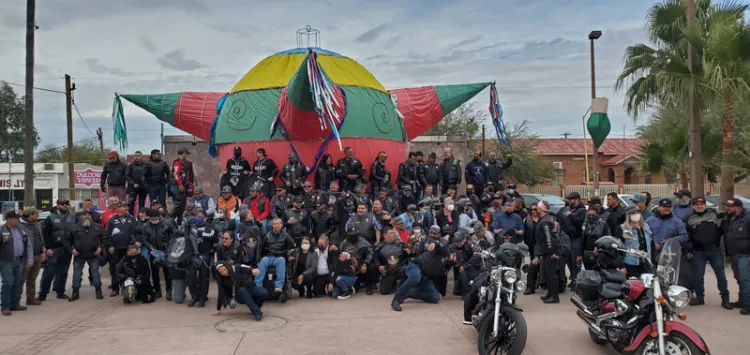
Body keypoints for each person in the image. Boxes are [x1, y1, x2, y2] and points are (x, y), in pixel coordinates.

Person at [685, 197, 731, 308]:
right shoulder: (688, 218)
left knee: (721, 276)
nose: (699, 206)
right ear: (693, 206)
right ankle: (700, 298)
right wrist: (688, 249)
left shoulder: (715, 215)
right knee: (698, 277)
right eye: (696, 204)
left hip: (715, 251)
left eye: (701, 204)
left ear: (705, 205)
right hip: (698, 252)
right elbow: (687, 236)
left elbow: (728, 221)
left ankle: (725, 299)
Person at [390, 226, 446, 311]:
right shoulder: (424, 240)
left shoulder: (444, 242)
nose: (432, 235)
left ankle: (408, 293)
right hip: (416, 266)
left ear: (439, 234)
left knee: (435, 298)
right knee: (416, 277)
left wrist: (436, 244)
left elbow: (443, 249)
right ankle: (396, 299)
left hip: (426, 275)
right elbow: (418, 253)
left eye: (435, 233)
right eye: (431, 233)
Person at [38, 199, 77, 301]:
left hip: (67, 249)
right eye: (62, 204)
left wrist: (74, 247)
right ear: (58, 205)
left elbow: (76, 233)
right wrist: (47, 248)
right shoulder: (50, 217)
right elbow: (45, 234)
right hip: (54, 249)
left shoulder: (73, 217)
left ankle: (60, 292)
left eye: (66, 204)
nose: (64, 205)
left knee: (63, 272)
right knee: (49, 271)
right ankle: (43, 294)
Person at [65, 210, 106, 301]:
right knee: (77, 274)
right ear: (81, 217)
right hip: (79, 255)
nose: (87, 217)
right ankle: (75, 293)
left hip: (93, 255)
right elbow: (66, 240)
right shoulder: (74, 227)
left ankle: (98, 291)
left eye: (89, 215)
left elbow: (104, 239)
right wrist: (71, 249)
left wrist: (100, 248)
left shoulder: (98, 227)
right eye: (85, 215)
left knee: (95, 273)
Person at [0, 211, 33, 316]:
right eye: (16, 218)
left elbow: (28, 244)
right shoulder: (2, 230)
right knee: (7, 283)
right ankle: (5, 306)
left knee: (17, 283)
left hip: (19, 260)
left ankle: (15, 304)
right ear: (8, 219)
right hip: (6, 261)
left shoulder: (21, 229)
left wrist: (29, 259)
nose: (18, 220)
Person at [721, 198, 750, 314]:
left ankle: (748, 305)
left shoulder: (747, 218)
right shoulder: (729, 218)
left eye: (730, 207)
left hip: (745, 255)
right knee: (739, 279)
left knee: (745, 280)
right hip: (733, 254)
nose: (727, 208)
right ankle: (742, 301)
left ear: (738, 208)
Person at [141, 208, 176, 300]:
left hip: (166, 251)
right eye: (152, 219)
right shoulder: (146, 226)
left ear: (159, 216)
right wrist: (151, 248)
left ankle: (169, 291)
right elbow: (144, 239)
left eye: (156, 218)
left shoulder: (167, 223)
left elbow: (174, 235)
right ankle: (157, 291)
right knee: (155, 272)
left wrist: (169, 246)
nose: (154, 220)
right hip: (154, 252)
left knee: (167, 272)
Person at [255, 218, 295, 298]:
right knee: (263, 260)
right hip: (269, 256)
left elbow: (292, 246)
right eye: (274, 224)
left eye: (277, 224)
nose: (276, 225)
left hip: (279, 256)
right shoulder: (267, 235)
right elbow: (261, 248)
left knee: (281, 260)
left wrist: (291, 254)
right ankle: (258, 286)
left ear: (281, 225)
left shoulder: (286, 235)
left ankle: (278, 286)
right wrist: (258, 259)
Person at [105, 201, 137, 297]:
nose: (126, 208)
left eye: (127, 206)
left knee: (128, 268)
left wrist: (133, 245)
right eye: (123, 206)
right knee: (114, 268)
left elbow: (134, 233)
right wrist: (109, 246)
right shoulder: (112, 219)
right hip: (115, 249)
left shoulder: (132, 219)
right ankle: (115, 288)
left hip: (128, 249)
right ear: (118, 208)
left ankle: (127, 287)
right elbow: (107, 235)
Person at [186, 210, 216, 308]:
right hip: (193, 255)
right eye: (197, 215)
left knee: (204, 278)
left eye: (200, 216)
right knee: (191, 277)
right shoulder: (191, 226)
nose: (198, 217)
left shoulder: (210, 226)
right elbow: (186, 236)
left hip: (204, 255)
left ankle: (203, 298)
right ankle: (194, 297)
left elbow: (210, 235)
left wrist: (197, 233)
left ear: (205, 218)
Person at [534, 201, 560, 304]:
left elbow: (548, 238)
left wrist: (551, 252)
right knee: (547, 273)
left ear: (541, 209)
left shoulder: (545, 221)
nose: (536, 210)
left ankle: (554, 296)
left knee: (551, 274)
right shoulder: (545, 219)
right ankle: (550, 294)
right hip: (547, 251)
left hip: (551, 252)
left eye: (538, 208)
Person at [339, 225, 377, 295]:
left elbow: (371, 252)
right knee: (354, 290)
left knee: (372, 267)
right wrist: (348, 267)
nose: (353, 236)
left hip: (363, 265)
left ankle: (369, 286)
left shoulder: (363, 241)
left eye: (355, 234)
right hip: (351, 268)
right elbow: (340, 256)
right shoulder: (343, 243)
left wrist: (365, 263)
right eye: (351, 235)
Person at [561, 192, 586, 287]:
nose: (569, 201)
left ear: (577, 199)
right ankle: (573, 279)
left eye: (571, 199)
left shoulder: (582, 210)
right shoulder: (571, 209)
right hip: (568, 238)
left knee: (576, 261)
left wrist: (570, 215)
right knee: (569, 260)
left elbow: (579, 221)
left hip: (576, 238)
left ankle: (577, 282)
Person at [620, 206, 653, 279]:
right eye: (633, 213)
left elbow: (651, 244)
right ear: (628, 215)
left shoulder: (646, 226)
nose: (636, 215)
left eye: (638, 212)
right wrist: (621, 266)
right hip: (630, 263)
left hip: (645, 262)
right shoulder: (623, 228)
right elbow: (619, 248)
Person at [19, 208, 43, 306]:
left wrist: (43, 248)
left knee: (32, 278)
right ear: (30, 215)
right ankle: (16, 300)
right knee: (21, 279)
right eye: (36, 214)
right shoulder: (21, 226)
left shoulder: (37, 225)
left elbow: (41, 238)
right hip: (27, 257)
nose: (38, 215)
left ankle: (31, 298)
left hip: (37, 255)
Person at [374, 227, 407, 295]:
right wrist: (379, 266)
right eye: (390, 233)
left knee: (407, 270)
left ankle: (402, 285)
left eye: (393, 233)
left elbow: (409, 255)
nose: (392, 235)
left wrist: (410, 252)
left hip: (400, 268)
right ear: (385, 235)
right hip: (388, 270)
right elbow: (376, 259)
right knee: (384, 291)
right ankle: (394, 283)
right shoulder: (380, 246)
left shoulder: (401, 244)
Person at [578, 205, 610, 271]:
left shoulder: (603, 224)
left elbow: (607, 239)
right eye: (589, 215)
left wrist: (598, 246)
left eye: (593, 215)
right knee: (589, 274)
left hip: (600, 254)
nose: (591, 217)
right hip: (587, 254)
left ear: (597, 214)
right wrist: (580, 254)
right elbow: (582, 241)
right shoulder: (585, 225)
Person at [171, 147, 196, 225]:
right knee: (178, 205)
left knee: (182, 207)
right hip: (178, 187)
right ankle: (170, 219)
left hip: (183, 186)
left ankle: (178, 223)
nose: (186, 155)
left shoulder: (183, 162)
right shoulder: (177, 162)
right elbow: (175, 174)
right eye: (185, 153)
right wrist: (180, 185)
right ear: (183, 153)